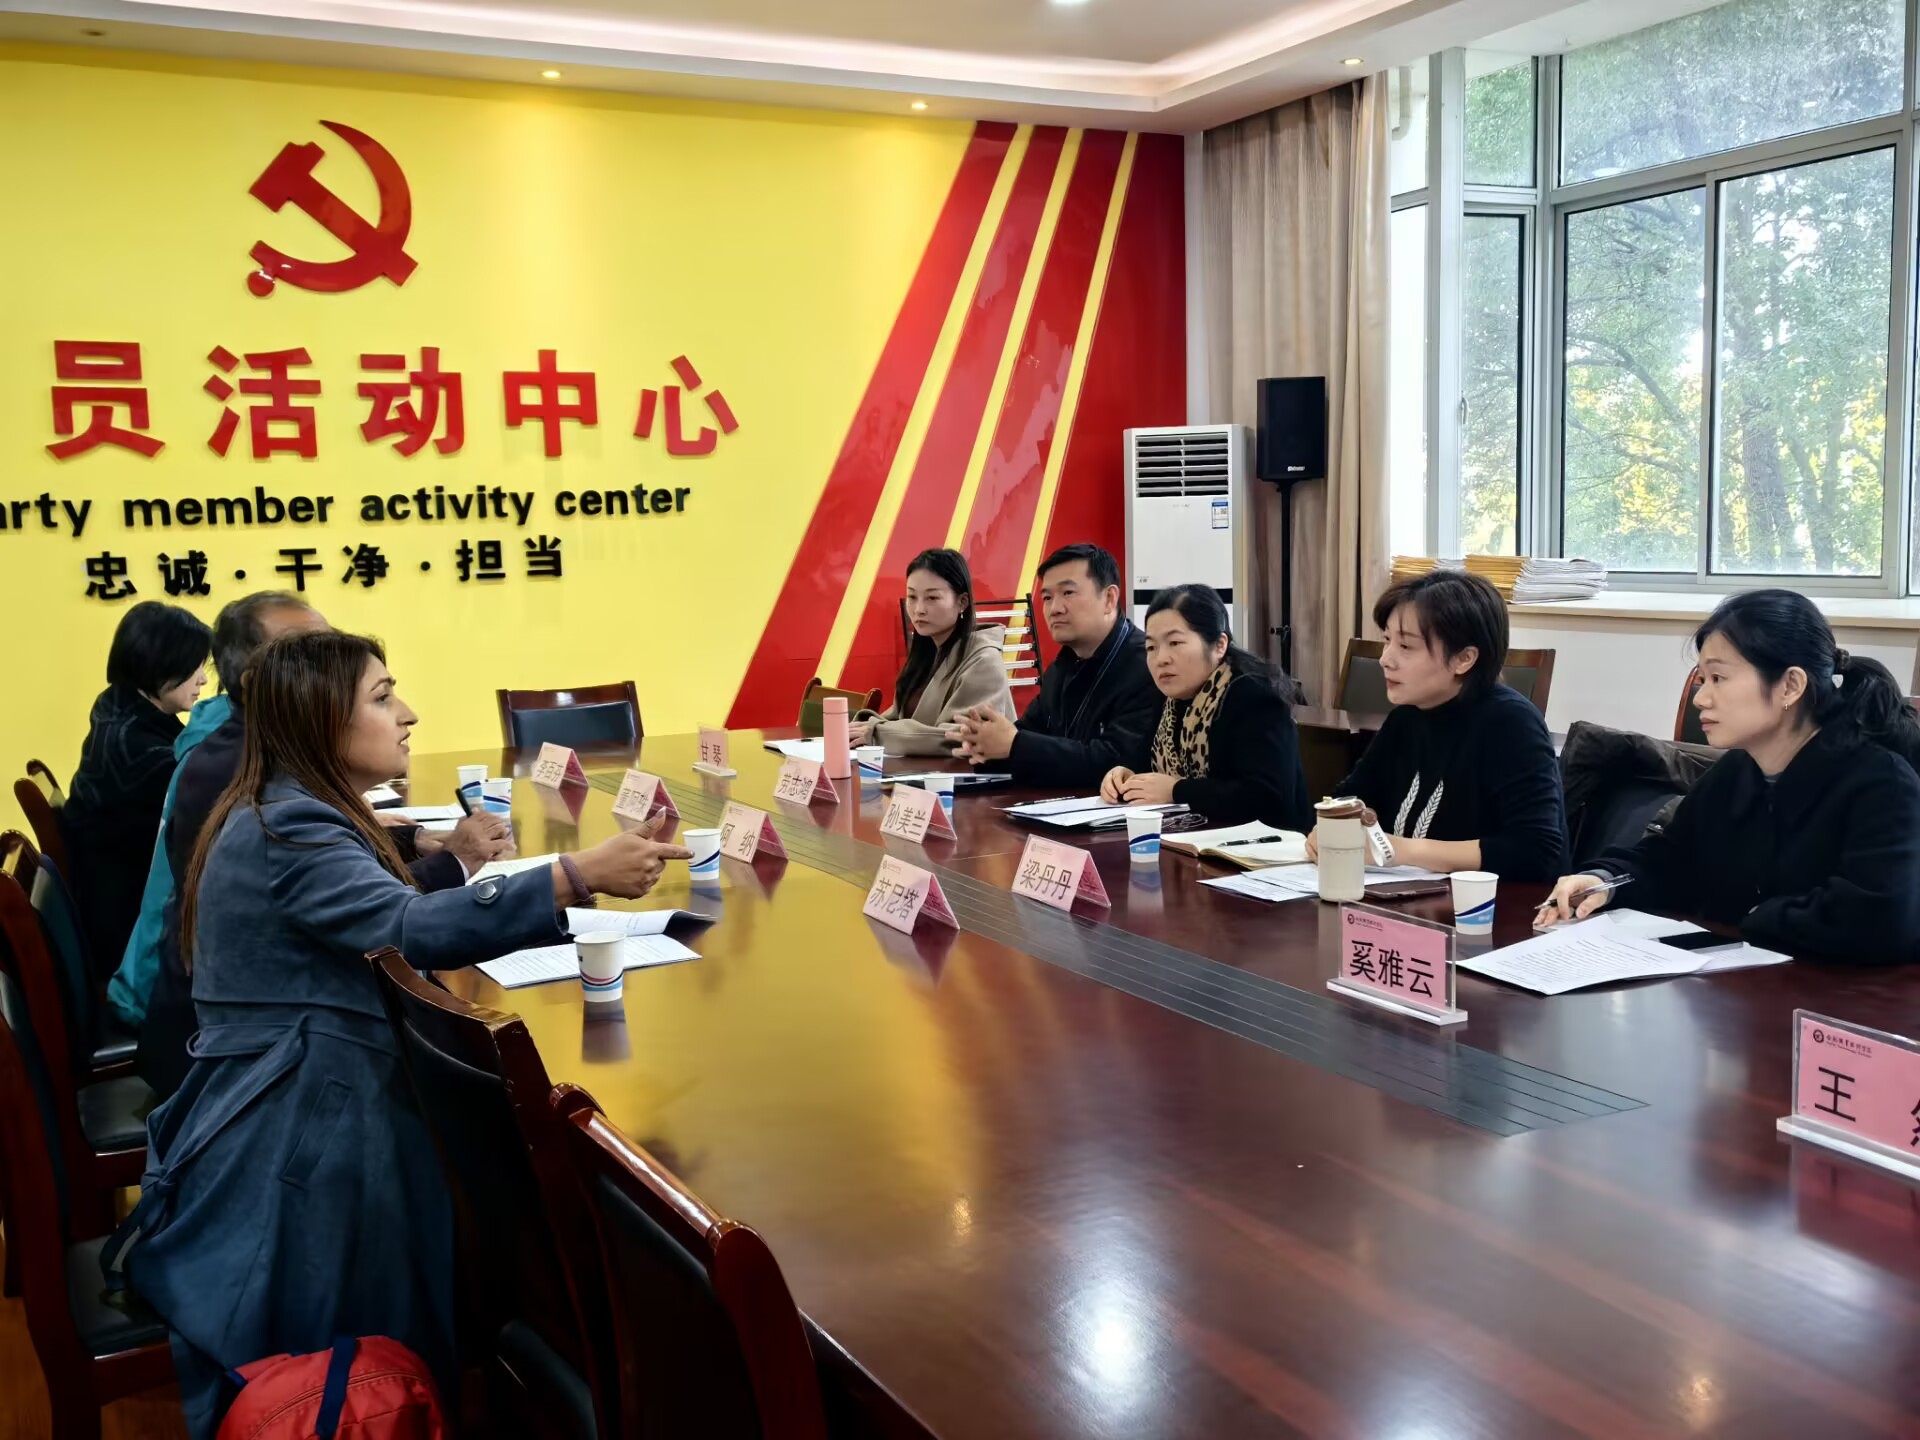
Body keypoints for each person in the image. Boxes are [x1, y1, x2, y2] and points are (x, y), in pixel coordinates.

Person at [109, 630, 691, 1439]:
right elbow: (410, 927)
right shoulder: (290, 828)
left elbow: (379, 909)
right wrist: (575, 874)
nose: (408, 714)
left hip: (285, 1093)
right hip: (296, 1137)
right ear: (322, 719)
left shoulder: (284, 805)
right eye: (383, 698)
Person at [129, 596, 512, 1094]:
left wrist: (410, 838)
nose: (330, 658)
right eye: (305, 650)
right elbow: (370, 908)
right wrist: (561, 876)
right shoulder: (242, 781)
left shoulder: (260, 761)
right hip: (247, 1069)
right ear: (268, 682)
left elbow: (322, 869)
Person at [1540, 589, 1920, 963]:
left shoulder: (1881, 782)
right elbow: (1669, 860)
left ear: (1790, 685)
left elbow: (1880, 918)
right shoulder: (1737, 771)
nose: (1701, 698)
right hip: (1741, 983)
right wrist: (1604, 880)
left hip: (1839, 995)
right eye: (1702, 679)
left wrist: (1757, 916)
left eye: (1718, 678)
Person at [1306, 570, 1567, 880]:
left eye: (1406, 646)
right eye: (1387, 640)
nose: (1385, 659)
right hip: (1405, 897)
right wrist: (1331, 826)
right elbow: (1354, 797)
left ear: (1464, 659)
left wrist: (1399, 850)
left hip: (1492, 904)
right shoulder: (1407, 716)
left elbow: (1535, 849)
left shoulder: (1512, 723)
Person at [61, 601, 212, 973]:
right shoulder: (135, 750)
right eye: (194, 666)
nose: (203, 680)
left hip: (113, 902)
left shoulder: (117, 710)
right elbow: (205, 796)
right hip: (128, 936)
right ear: (160, 665)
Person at [1098, 584, 1310, 828]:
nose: (1161, 659)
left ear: (1219, 645)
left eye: (1175, 643)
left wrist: (1177, 791)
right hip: (1191, 838)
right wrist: (1125, 776)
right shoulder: (1168, 699)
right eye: (1151, 647)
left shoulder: (1254, 696)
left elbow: (1267, 796)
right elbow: (1146, 764)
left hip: (1266, 844)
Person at [950, 543, 1160, 787]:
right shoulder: (1064, 665)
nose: (1054, 609)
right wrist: (985, 745)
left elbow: (1118, 762)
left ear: (1109, 599)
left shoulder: (1147, 663)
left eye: (1068, 593)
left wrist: (1014, 745)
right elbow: (1028, 733)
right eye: (1047, 597)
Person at [849, 548, 1014, 757]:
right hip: (921, 773)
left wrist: (877, 732)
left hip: (969, 776)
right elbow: (898, 720)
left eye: (932, 598)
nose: (919, 609)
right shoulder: (927, 655)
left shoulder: (985, 660)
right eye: (912, 596)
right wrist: (865, 727)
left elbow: (964, 737)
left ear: (962, 602)